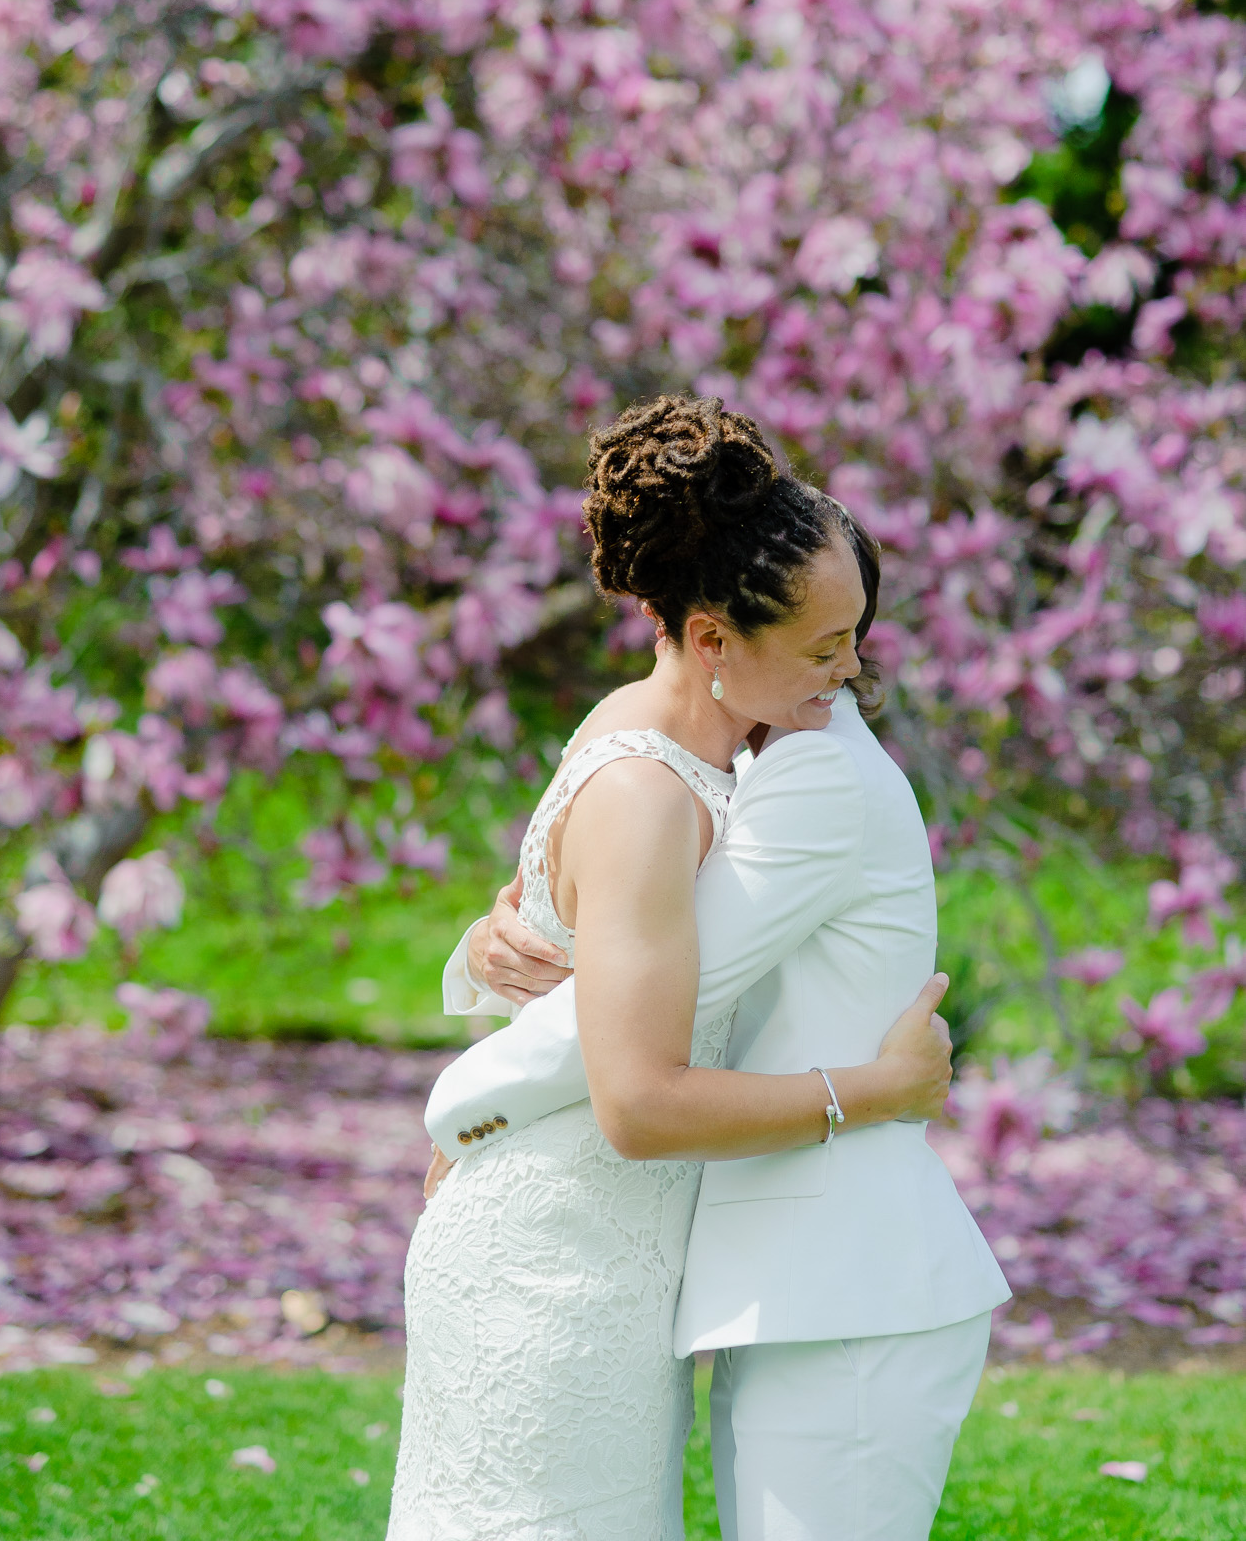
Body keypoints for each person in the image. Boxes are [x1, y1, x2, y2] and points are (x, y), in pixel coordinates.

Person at [387, 395, 999, 1541]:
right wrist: (466, 1104)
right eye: (821, 646)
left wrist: (485, 960)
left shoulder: (698, 749)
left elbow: (585, 951)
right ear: (712, 638)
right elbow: (631, 1080)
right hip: (558, 1246)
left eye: (855, 634)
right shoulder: (651, 785)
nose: (852, 672)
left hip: (621, 1255)